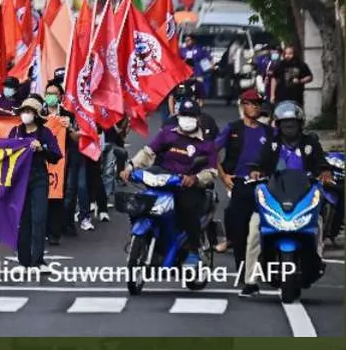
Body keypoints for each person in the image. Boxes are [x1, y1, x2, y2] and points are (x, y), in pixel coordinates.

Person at [238, 100, 332, 296]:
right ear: (278, 125)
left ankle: (317, 261)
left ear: (300, 123)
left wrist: (325, 173)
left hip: (303, 195)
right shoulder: (271, 143)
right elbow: (259, 163)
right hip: (275, 194)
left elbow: (322, 164)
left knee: (319, 224)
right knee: (256, 228)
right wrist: (256, 171)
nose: (289, 127)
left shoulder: (311, 142)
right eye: (285, 123)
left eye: (293, 123)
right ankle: (250, 280)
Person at [122, 98, 218, 267]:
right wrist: (130, 167)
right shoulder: (167, 134)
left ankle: (193, 251)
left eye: (191, 116)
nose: (187, 119)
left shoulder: (206, 144)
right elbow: (148, 153)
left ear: (198, 119)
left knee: (188, 208)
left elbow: (211, 172)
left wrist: (195, 178)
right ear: (178, 116)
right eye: (184, 115)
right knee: (140, 202)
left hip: (188, 185)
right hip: (164, 180)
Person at [216, 89, 268, 274]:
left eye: (257, 104)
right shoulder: (233, 128)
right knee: (240, 229)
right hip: (240, 184)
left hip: (264, 186)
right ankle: (243, 269)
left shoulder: (269, 132)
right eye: (250, 103)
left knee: (266, 227)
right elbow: (211, 151)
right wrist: (223, 176)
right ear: (242, 105)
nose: (254, 107)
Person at [10, 94, 61, 267]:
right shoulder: (15, 132)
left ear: (36, 114)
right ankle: (23, 259)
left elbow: (56, 156)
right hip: (20, 180)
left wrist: (42, 149)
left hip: (39, 177)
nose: (25, 114)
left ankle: (37, 259)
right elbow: (4, 154)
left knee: (39, 218)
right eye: (24, 111)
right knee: (24, 219)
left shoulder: (44, 133)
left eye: (29, 111)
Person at [43, 78, 82, 241]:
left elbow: (76, 139)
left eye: (54, 94)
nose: (51, 96)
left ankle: (62, 227)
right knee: (45, 192)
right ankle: (45, 227)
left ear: (60, 97)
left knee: (65, 192)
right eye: (48, 93)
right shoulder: (39, 113)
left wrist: (70, 128)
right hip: (44, 158)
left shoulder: (68, 115)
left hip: (65, 159)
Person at [179, 35, 215, 101]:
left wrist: (210, 67)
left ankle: (198, 104)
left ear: (193, 40)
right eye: (186, 40)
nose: (187, 42)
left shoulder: (200, 49)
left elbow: (207, 59)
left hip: (198, 74)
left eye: (188, 40)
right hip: (187, 75)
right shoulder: (182, 50)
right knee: (187, 91)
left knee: (200, 93)